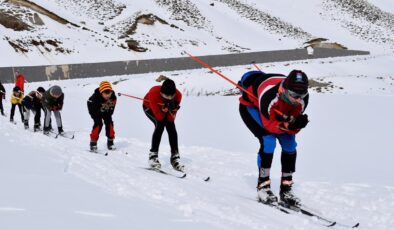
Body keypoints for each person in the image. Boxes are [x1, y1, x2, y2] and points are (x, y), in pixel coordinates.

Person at [238, 70, 309, 205]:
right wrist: (289, 125)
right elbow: (270, 126)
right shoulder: (269, 96)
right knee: (269, 141)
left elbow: (291, 129)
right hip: (252, 107)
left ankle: (286, 189)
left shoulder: (302, 99)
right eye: (295, 95)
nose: (299, 99)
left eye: (302, 95)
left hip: (280, 110)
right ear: (285, 90)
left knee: (290, 144)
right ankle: (263, 186)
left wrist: (296, 125)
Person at [143, 79, 183, 171]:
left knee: (171, 126)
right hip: (148, 107)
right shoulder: (153, 92)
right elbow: (160, 117)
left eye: (171, 96)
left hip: (163, 110)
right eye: (166, 95)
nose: (169, 98)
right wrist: (163, 110)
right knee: (160, 124)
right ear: (161, 93)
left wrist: (172, 109)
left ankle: (175, 156)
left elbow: (170, 118)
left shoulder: (178, 95)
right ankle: (153, 156)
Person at [87, 81, 117, 151]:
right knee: (98, 123)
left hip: (105, 110)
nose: (108, 95)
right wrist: (101, 109)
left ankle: (110, 142)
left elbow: (111, 112)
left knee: (109, 122)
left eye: (109, 93)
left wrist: (107, 107)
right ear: (101, 93)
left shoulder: (113, 97)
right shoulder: (95, 98)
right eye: (105, 93)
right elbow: (94, 113)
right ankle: (93, 143)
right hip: (94, 109)